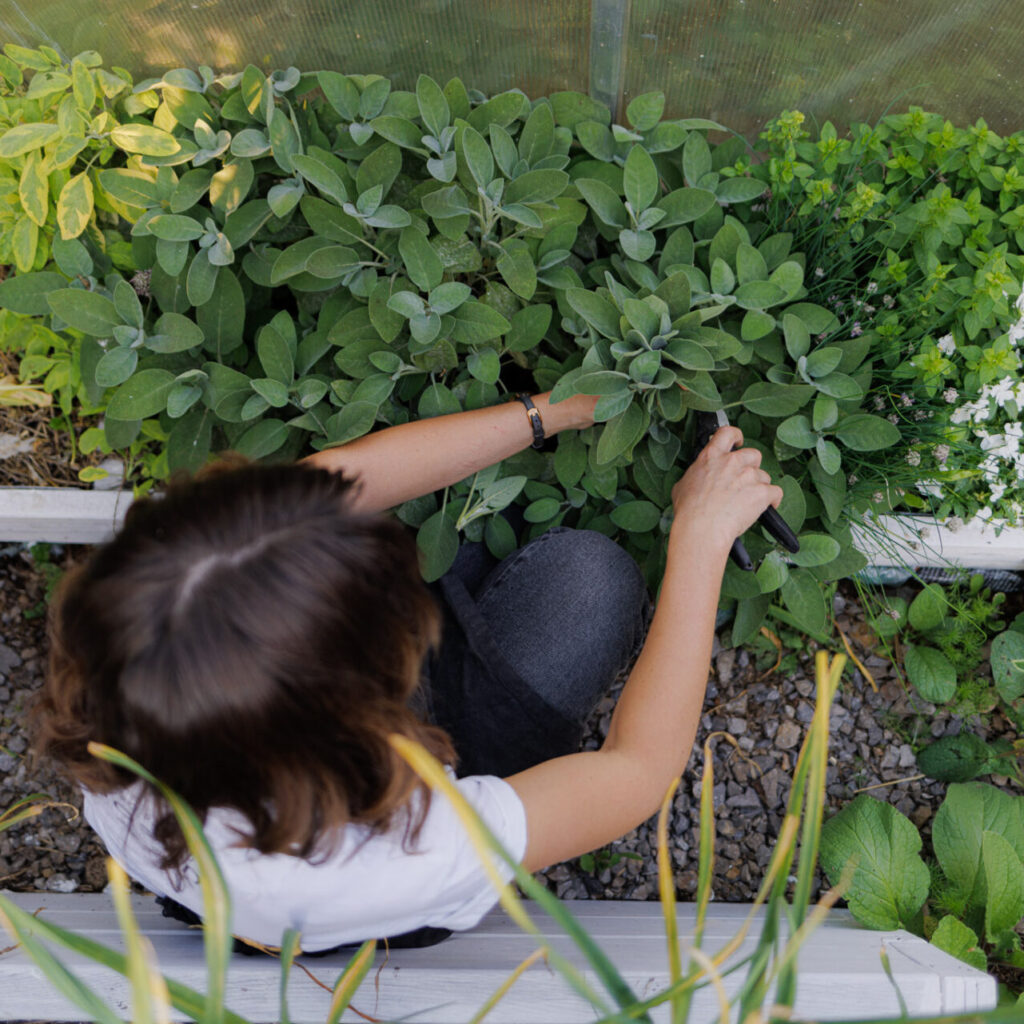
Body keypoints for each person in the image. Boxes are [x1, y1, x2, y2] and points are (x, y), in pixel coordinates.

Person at [35, 390, 782, 952]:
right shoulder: (405, 853)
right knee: (591, 582)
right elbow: (636, 771)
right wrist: (702, 537)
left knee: (468, 541)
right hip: (367, 878)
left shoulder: (126, 659)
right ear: (360, 704)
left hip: (291, 790)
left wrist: (552, 409)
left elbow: (336, 483)